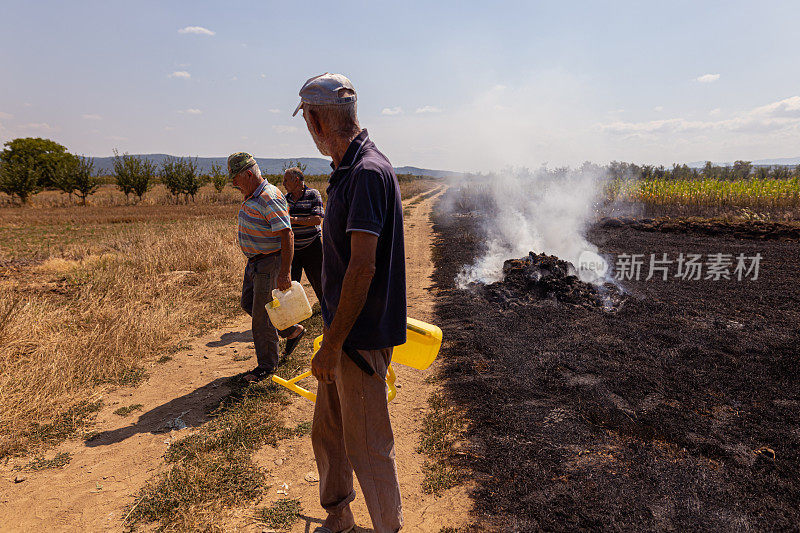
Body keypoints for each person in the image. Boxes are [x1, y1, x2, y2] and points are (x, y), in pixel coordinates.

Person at [293, 73, 406, 533]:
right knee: (330, 434)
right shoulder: (347, 170)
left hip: (356, 342)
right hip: (343, 334)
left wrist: (333, 343)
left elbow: (362, 268)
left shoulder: (365, 174)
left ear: (317, 120)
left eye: (307, 121)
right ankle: (338, 516)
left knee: (368, 447)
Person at [228, 152, 306, 382]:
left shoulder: (268, 196)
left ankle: (267, 366)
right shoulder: (253, 193)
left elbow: (287, 234)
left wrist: (284, 271)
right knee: (248, 303)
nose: (233, 184)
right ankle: (290, 331)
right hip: (255, 262)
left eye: (236, 179)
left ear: (249, 174)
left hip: (269, 262)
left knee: (261, 318)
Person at [282, 166, 324, 304]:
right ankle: (293, 317)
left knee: (320, 282)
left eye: (286, 180)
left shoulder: (313, 194)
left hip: (312, 246)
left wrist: (293, 220)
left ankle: (328, 312)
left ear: (297, 180)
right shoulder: (285, 199)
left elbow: (317, 220)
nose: (283, 184)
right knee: (291, 285)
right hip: (293, 249)